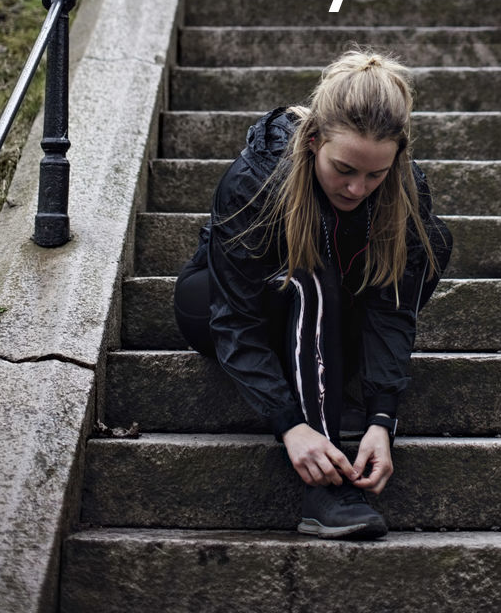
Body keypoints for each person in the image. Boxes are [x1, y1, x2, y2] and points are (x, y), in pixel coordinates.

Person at [173, 49, 453, 540]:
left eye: (375, 174)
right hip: (223, 307)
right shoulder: (257, 180)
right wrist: (290, 426)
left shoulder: (405, 189)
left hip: (326, 319)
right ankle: (324, 492)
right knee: (307, 276)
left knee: (431, 244)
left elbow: (391, 309)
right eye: (343, 168)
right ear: (313, 139)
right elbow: (233, 319)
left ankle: (328, 378)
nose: (356, 188)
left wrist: (382, 419)